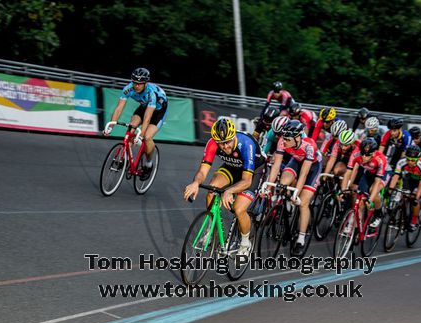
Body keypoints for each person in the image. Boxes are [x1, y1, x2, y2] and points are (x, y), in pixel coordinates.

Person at [184, 118, 265, 257]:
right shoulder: (212, 143)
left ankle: (245, 243)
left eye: (228, 142)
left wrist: (229, 190)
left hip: (253, 171)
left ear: (234, 136)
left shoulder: (246, 144)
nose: (225, 146)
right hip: (232, 166)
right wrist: (195, 183)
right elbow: (203, 171)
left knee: (239, 209)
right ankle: (211, 228)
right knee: (212, 189)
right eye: (221, 144)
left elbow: (246, 181)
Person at [264, 120, 322, 256]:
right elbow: (276, 165)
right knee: (283, 182)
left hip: (312, 167)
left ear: (297, 138)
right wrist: (268, 185)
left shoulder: (309, 145)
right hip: (296, 160)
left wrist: (297, 194)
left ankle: (301, 238)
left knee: (303, 202)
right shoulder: (282, 140)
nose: (283, 142)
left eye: (287, 140)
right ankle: (286, 207)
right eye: (283, 138)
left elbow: (304, 173)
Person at [104, 68, 167, 173]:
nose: (136, 86)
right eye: (134, 83)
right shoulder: (128, 89)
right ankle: (126, 158)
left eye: (140, 83)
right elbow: (119, 108)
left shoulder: (151, 93)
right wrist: (111, 126)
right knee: (131, 127)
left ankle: (149, 163)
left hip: (159, 111)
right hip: (144, 106)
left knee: (147, 137)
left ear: (146, 83)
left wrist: (141, 135)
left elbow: (147, 117)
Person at [341, 137, 389, 228]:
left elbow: (377, 181)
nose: (364, 157)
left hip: (384, 173)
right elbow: (348, 173)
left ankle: (378, 212)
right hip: (369, 172)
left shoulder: (380, 159)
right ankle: (356, 228)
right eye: (362, 154)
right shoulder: (356, 154)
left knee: (372, 191)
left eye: (367, 155)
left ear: (373, 153)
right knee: (361, 200)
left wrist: (370, 200)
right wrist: (344, 190)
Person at [388, 144, 421, 231]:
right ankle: (401, 213)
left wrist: (416, 197)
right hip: (410, 177)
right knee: (404, 194)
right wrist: (390, 190)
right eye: (408, 159)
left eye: (413, 160)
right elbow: (396, 176)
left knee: (415, 198)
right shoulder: (401, 162)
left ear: (417, 159)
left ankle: (413, 221)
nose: (410, 162)